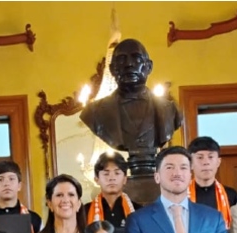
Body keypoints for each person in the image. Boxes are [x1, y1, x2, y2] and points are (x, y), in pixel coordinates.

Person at [78, 39, 183, 173]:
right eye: (122, 59)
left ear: (149, 66)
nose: (129, 64)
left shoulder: (170, 111)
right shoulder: (95, 113)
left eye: (137, 58)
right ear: (112, 69)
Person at [188, 136, 237, 226]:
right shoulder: (182, 194)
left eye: (210, 157)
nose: (206, 162)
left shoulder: (232, 195)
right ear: (190, 163)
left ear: (218, 162)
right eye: (200, 157)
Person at [85, 152, 135, 233]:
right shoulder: (85, 211)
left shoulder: (138, 210)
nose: (112, 178)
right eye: (106, 174)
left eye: (117, 173)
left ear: (125, 179)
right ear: (96, 179)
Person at [0, 159, 43, 233]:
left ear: (19, 186)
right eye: (0, 179)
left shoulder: (34, 219)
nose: (6, 183)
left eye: (11, 179)